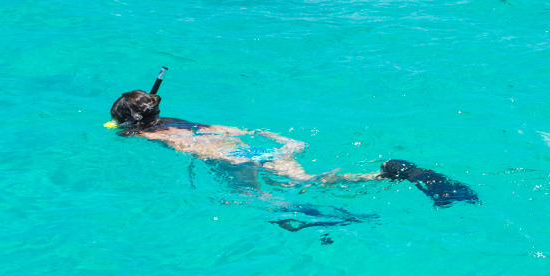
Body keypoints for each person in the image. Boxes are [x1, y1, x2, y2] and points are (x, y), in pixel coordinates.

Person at [107, 88, 477, 206]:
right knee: (310, 179)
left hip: (232, 160)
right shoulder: (182, 120)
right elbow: (237, 128)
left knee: (258, 201)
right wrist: (283, 141)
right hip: (252, 146)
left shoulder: (146, 133)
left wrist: (126, 129)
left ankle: (300, 215)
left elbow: (136, 132)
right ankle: (386, 174)